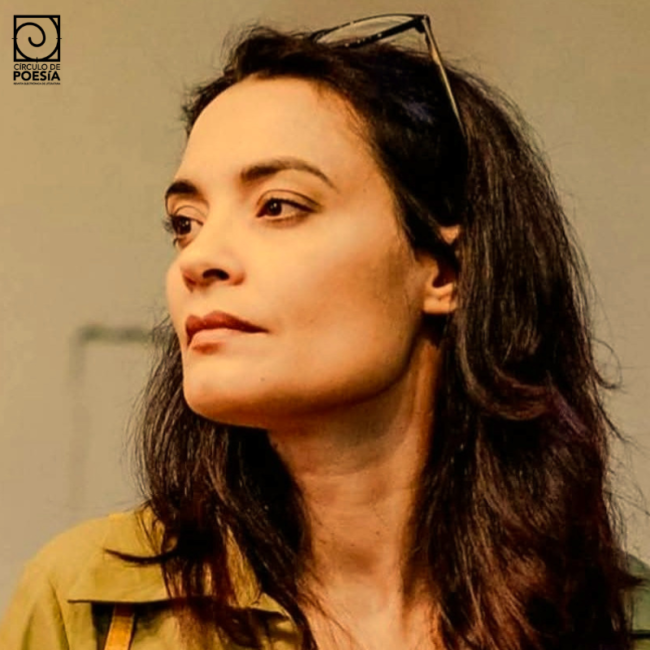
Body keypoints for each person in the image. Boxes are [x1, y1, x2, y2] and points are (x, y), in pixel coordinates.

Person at [1, 13, 649, 650]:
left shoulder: (618, 623)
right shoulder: (90, 610)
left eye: (277, 206)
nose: (198, 260)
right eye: (186, 223)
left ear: (444, 269)